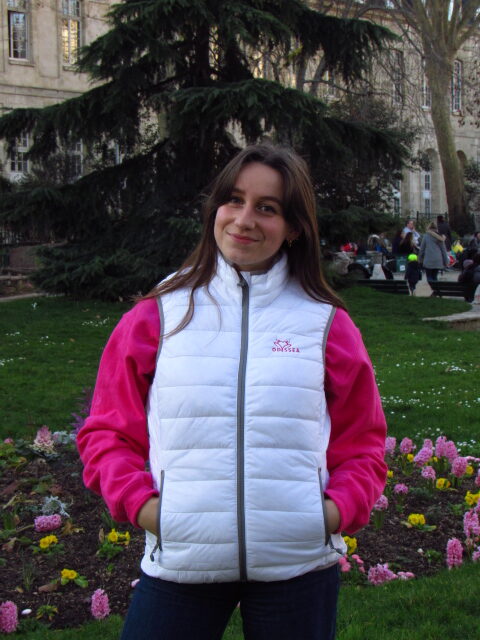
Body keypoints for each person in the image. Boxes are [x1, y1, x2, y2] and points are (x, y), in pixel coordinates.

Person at [77, 144, 387, 640]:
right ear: (215, 208)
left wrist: (330, 513)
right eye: (234, 200)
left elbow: (364, 441)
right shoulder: (158, 313)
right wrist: (148, 509)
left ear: (294, 227)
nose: (244, 220)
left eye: (267, 208)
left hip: (298, 567)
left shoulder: (326, 323)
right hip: (182, 562)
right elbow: (107, 432)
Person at [418, 221, 450, 293]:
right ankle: (436, 290)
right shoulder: (440, 237)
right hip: (438, 260)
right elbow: (443, 250)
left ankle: (434, 290)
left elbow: (422, 249)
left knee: (429, 276)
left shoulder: (426, 236)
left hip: (428, 259)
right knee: (435, 276)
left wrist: (419, 259)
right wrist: (446, 261)